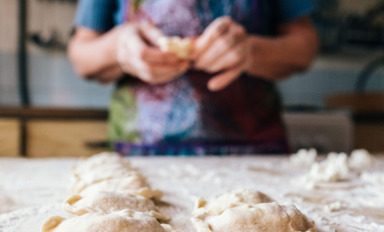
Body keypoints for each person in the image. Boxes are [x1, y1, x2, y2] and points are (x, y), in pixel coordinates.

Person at [68, 0, 318, 155]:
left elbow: (305, 46)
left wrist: (251, 51)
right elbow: (81, 54)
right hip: (141, 154)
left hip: (255, 154)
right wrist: (118, 49)